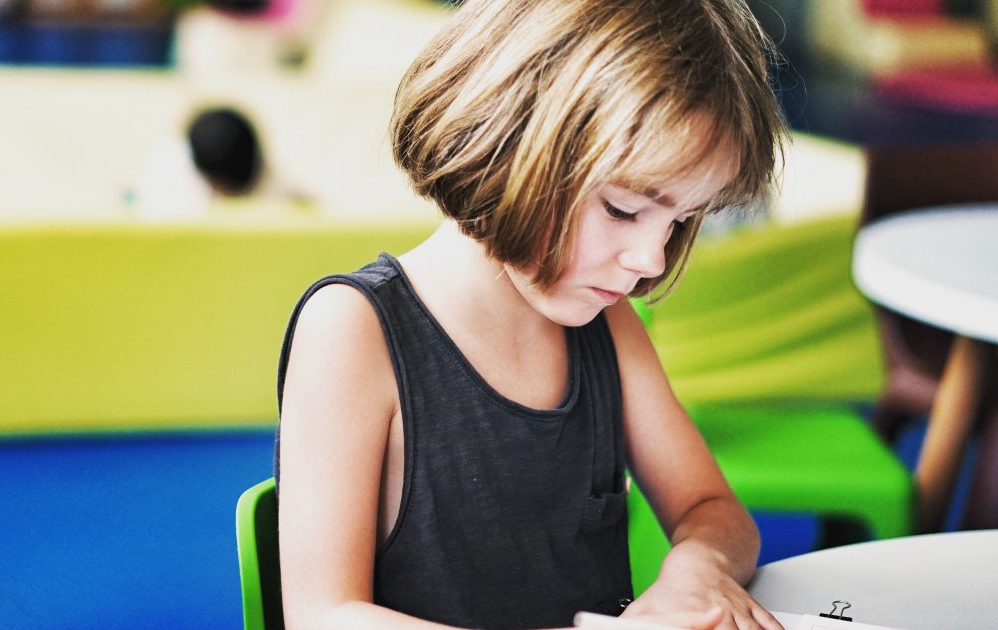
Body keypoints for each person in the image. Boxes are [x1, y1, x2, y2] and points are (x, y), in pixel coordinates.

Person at [274, 0, 789, 628]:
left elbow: (712, 509)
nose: (651, 260)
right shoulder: (353, 330)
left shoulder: (607, 328)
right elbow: (322, 614)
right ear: (507, 145)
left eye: (679, 220)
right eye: (624, 210)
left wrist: (698, 568)